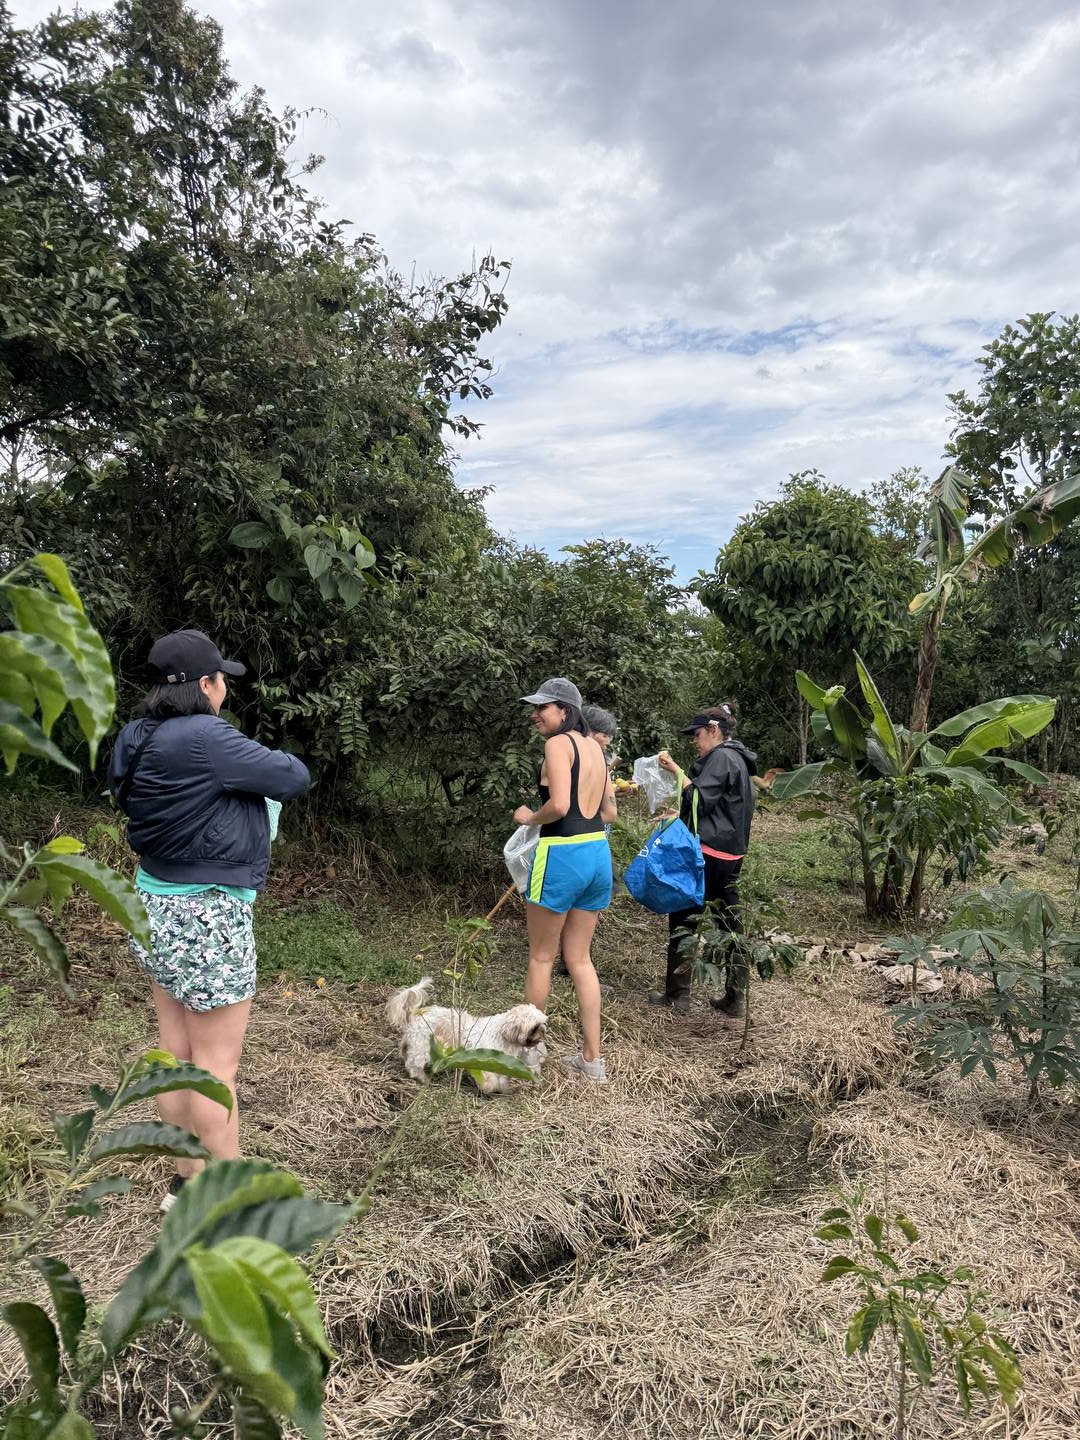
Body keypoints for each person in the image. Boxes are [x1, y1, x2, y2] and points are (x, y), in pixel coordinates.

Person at [109, 628, 310, 1210]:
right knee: (216, 1066)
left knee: (176, 1051)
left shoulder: (135, 735)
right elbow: (292, 776)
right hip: (208, 914)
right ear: (205, 683)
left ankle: (186, 1180)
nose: (226, 688)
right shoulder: (207, 737)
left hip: (152, 904)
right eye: (223, 678)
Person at [513, 678, 617, 1082]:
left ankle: (529, 1055)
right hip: (596, 855)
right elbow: (609, 813)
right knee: (580, 959)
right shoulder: (596, 748)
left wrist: (528, 817)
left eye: (545, 707)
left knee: (542, 956)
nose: (536, 714)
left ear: (566, 710)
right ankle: (593, 1063)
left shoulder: (558, 745)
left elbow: (557, 805)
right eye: (535, 707)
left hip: (561, 854)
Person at [648, 703, 756, 1020]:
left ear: (713, 730)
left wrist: (675, 770)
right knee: (729, 925)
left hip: (708, 855)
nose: (695, 741)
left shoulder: (722, 756)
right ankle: (735, 998)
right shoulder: (739, 760)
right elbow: (719, 808)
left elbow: (697, 798)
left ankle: (677, 995)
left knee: (684, 920)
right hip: (731, 855)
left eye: (697, 734)